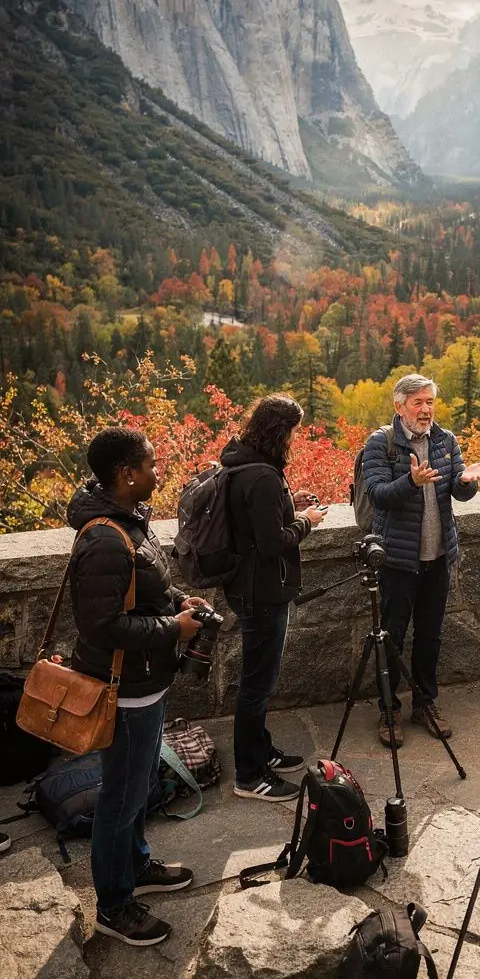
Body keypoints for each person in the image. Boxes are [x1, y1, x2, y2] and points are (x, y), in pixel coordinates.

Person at [68, 427, 203, 947]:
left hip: (146, 681)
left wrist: (179, 603)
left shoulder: (131, 523)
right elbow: (101, 626)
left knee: (139, 785)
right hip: (124, 691)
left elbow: (145, 591)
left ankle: (137, 864)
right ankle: (114, 905)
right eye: (151, 464)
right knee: (120, 799)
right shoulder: (104, 539)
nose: (158, 471)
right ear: (126, 474)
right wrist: (174, 629)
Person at [362, 374, 480, 747]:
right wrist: (411, 482)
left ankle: (424, 704)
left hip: (438, 558)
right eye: (417, 402)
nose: (425, 410)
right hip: (397, 561)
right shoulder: (382, 443)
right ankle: (389, 710)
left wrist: (465, 481)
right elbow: (378, 494)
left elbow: (459, 493)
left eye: (430, 402)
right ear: (399, 405)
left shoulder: (445, 440)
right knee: (392, 637)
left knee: (430, 636)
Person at [220, 394, 326, 801]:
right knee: (257, 685)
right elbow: (271, 543)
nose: (295, 439)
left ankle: (261, 750)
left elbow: (255, 520)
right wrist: (306, 521)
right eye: (294, 431)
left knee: (258, 681)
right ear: (280, 432)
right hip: (261, 592)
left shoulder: (244, 463)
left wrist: (288, 504)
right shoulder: (262, 476)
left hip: (250, 587)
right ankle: (249, 776)